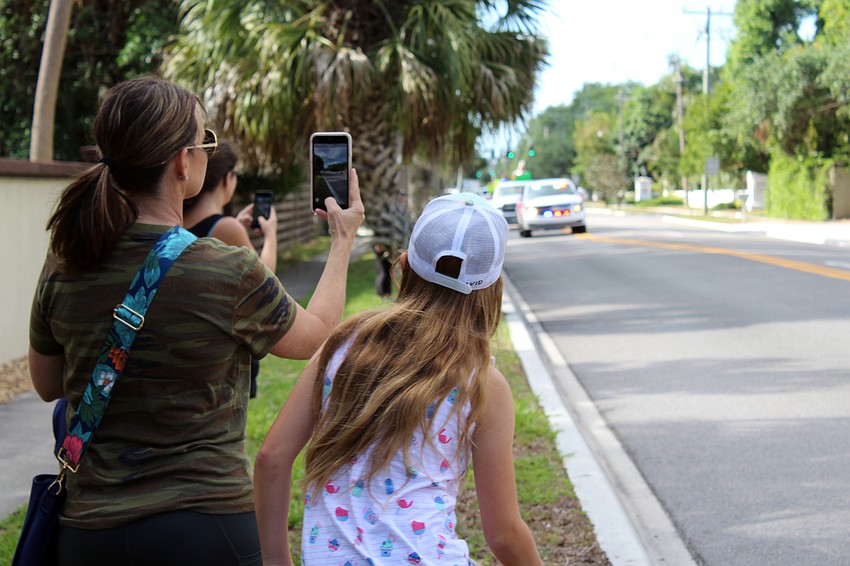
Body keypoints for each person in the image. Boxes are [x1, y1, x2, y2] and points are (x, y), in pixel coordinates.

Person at [27, 75, 364, 566]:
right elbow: (317, 337)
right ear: (182, 162)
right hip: (205, 529)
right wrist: (342, 241)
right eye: (206, 141)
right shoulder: (225, 268)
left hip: (90, 532)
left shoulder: (66, 258)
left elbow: (46, 383)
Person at [254, 193, 543, 565]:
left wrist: (276, 561)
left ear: (403, 266)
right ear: (492, 291)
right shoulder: (482, 382)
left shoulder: (339, 347)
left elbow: (271, 457)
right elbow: (503, 533)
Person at [183, 139, 275, 397]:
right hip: (227, 353)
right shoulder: (225, 228)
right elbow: (265, 282)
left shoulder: (182, 221)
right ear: (227, 178)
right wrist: (271, 236)